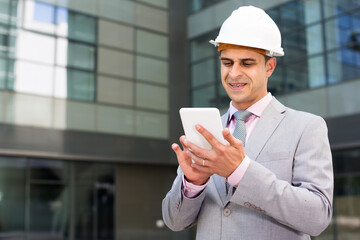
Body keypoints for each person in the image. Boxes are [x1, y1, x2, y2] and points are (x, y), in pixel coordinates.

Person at [162, 5, 333, 240]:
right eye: (227, 62)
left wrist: (240, 172)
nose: (233, 73)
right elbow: (174, 222)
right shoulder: (206, 130)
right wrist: (192, 184)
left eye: (247, 63)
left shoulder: (306, 127)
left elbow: (317, 217)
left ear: (269, 67)